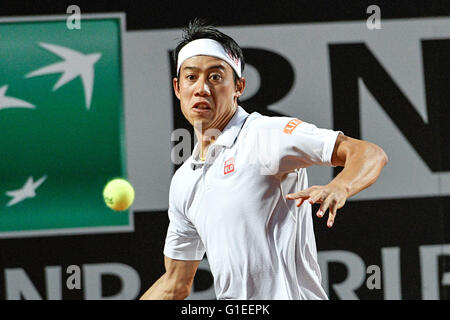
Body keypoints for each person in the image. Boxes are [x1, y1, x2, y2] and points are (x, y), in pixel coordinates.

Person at [140, 19, 388, 300]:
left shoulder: (266, 135)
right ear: (177, 88)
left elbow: (369, 153)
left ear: (239, 87)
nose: (201, 88)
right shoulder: (185, 181)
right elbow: (175, 283)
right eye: (191, 77)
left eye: (215, 77)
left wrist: (339, 187)